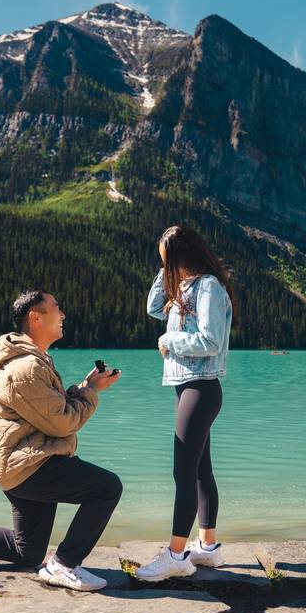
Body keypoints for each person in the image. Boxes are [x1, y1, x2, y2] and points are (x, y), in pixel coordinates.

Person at [0, 289, 123, 591]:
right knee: (107, 488)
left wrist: (87, 385)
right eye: (56, 308)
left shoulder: (34, 361)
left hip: (24, 463)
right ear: (36, 317)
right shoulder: (26, 368)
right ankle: (64, 564)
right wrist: (90, 392)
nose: (63, 314)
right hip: (31, 466)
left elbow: (50, 411)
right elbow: (62, 423)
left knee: (28, 552)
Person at [135, 225, 235, 581]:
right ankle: (207, 548)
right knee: (201, 471)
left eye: (166, 256)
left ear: (181, 254)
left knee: (184, 473)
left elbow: (209, 340)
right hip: (190, 388)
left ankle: (176, 555)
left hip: (201, 388)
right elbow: (152, 309)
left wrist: (170, 341)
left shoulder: (207, 287)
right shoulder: (184, 288)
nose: (163, 264)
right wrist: (166, 270)